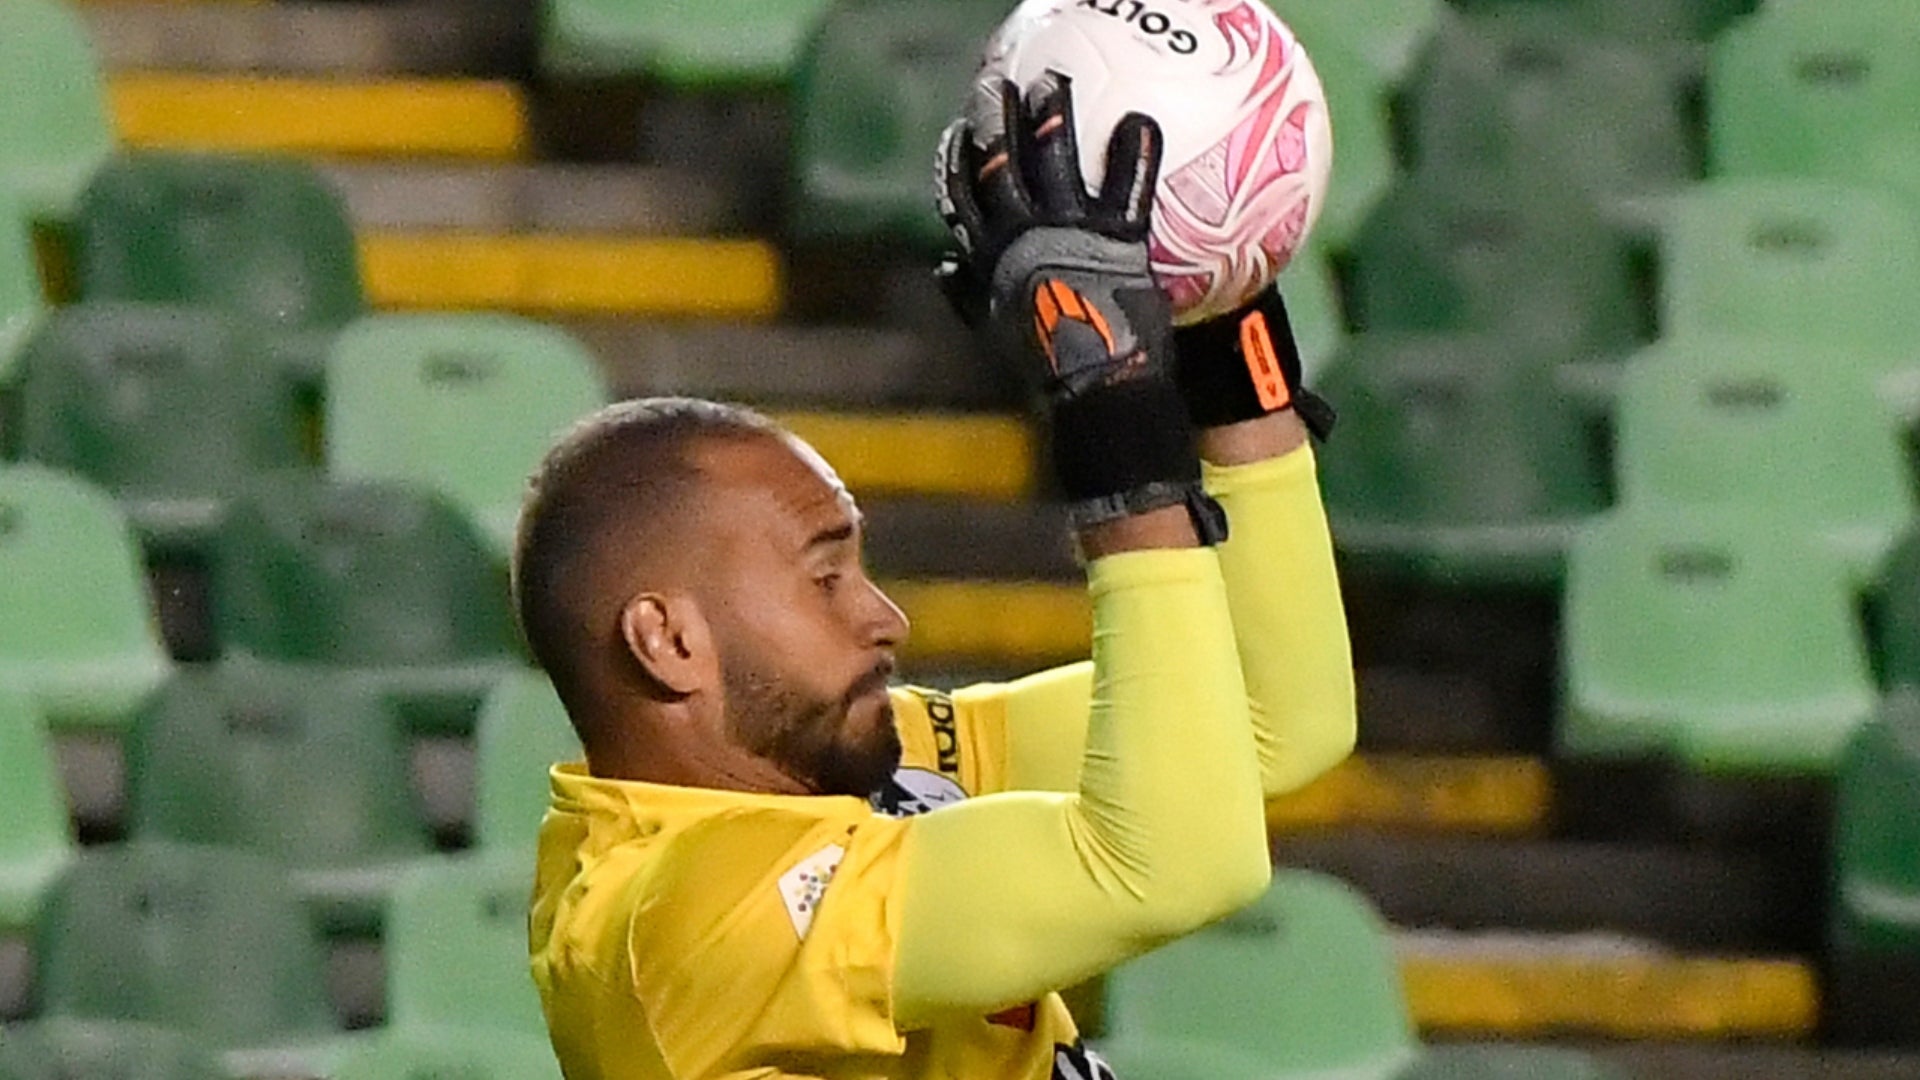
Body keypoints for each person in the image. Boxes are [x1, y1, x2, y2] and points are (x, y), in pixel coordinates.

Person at [518, 75, 1354, 1080]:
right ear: (669, 641)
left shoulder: (850, 758)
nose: (885, 616)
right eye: (824, 578)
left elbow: (1271, 715)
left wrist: (1218, 303)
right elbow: (1166, 868)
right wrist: (1112, 416)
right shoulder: (669, 925)